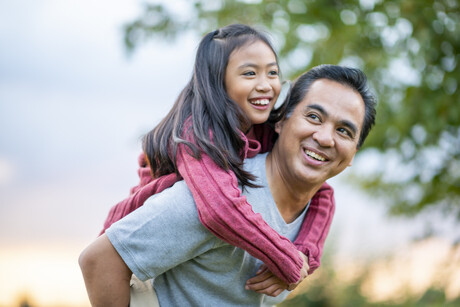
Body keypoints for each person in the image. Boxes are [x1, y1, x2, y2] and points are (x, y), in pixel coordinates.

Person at [79, 64, 377, 306]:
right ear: (281, 121)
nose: (325, 138)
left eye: (344, 131)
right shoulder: (217, 194)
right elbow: (98, 260)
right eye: (313, 116)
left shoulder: (314, 211)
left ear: (352, 155)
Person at [98, 23, 335, 287]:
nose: (266, 85)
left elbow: (322, 193)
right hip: (136, 265)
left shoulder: (261, 128)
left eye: (272, 73)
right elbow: (220, 208)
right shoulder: (194, 134)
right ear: (217, 81)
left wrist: (305, 255)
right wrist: (284, 257)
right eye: (249, 74)